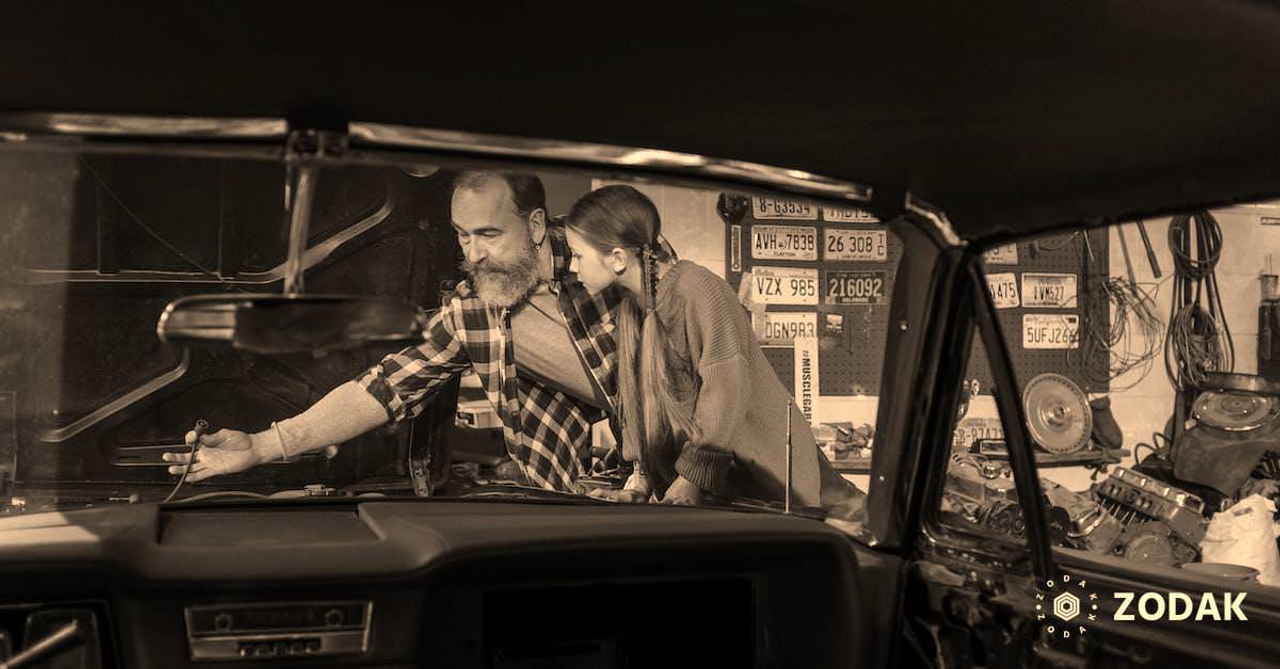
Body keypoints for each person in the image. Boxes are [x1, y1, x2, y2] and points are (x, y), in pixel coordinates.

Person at [165, 171, 624, 493]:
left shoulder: (610, 249)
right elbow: (381, 389)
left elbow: (684, 353)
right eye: (463, 236)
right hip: (570, 499)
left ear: (537, 224)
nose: (475, 254)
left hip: (679, 473)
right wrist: (263, 445)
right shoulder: (470, 310)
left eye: (489, 234)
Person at [564, 184, 865, 508]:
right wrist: (642, 485)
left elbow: (725, 392)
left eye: (578, 255)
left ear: (618, 258)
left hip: (786, 485)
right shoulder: (633, 311)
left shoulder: (696, 289)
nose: (572, 266)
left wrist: (692, 479)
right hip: (731, 492)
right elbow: (661, 412)